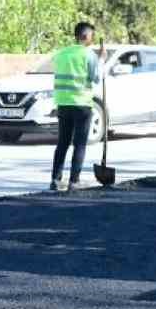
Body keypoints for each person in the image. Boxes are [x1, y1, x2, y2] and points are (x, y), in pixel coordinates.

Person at [49, 22, 102, 191]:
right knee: (79, 144)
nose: (93, 39)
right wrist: (101, 60)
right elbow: (95, 78)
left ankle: (55, 180)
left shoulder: (61, 54)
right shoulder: (89, 55)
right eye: (92, 36)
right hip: (81, 104)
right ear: (86, 36)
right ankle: (74, 181)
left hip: (63, 103)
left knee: (62, 143)